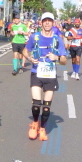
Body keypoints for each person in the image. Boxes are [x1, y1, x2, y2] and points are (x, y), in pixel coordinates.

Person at [22, 12, 68, 140]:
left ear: (53, 23)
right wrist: (30, 58)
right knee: (36, 104)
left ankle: (42, 128)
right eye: (45, 21)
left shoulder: (57, 39)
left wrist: (57, 57)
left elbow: (64, 60)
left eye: (49, 21)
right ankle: (35, 123)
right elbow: (25, 50)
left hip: (50, 75)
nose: (47, 23)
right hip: (36, 72)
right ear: (41, 23)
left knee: (46, 107)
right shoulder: (35, 37)